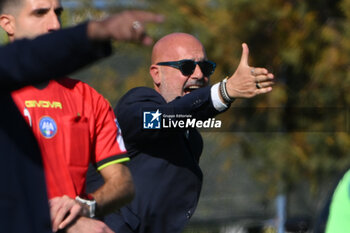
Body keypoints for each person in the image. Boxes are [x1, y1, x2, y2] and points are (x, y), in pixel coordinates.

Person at [0, 0, 163, 231]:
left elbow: (122, 183)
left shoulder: (89, 99)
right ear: (8, 24)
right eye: (40, 13)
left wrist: (84, 209)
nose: (55, 25)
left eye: (58, 13)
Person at [86, 32, 274, 233]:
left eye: (206, 67)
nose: (199, 75)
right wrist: (225, 91)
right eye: (186, 67)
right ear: (156, 74)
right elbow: (164, 118)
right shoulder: (137, 105)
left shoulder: (192, 139)